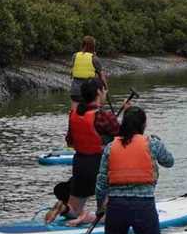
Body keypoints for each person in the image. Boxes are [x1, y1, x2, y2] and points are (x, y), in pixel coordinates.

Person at [86, 107, 175, 234]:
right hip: (143, 206)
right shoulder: (152, 144)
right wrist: (160, 143)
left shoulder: (110, 147)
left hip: (116, 207)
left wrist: (100, 207)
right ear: (143, 124)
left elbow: (101, 183)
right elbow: (169, 161)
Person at [45, 80, 126, 225]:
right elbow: (124, 136)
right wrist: (127, 114)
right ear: (98, 92)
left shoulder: (74, 114)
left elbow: (70, 141)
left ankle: (63, 208)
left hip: (80, 164)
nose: (106, 93)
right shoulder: (103, 116)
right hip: (100, 165)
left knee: (73, 209)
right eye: (104, 90)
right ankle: (87, 217)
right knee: (109, 215)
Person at [70, 36, 105, 110]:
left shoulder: (75, 56)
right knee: (91, 113)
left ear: (82, 45)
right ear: (93, 46)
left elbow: (72, 70)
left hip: (75, 91)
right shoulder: (94, 58)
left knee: (74, 113)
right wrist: (105, 88)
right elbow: (102, 76)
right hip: (89, 92)